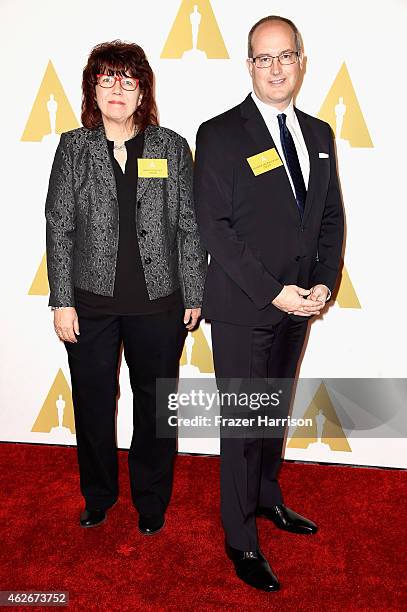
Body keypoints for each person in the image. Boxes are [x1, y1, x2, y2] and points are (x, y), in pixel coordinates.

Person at [194, 16, 344, 591]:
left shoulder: (321, 133)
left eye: (286, 56)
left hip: (300, 304)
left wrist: (323, 284)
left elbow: (330, 217)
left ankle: (266, 500)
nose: (277, 68)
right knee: (242, 423)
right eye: (264, 58)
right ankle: (240, 538)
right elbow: (215, 227)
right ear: (249, 65)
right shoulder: (221, 133)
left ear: (301, 60)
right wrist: (273, 291)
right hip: (244, 307)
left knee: (272, 413)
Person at [46, 40, 206, 534]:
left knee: (156, 407)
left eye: (128, 78)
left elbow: (188, 224)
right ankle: (99, 494)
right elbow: (59, 224)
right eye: (107, 78)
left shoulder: (171, 147)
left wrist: (194, 292)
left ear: (143, 90)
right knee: (94, 403)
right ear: (93, 89)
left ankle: (151, 499)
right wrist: (62, 300)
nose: (118, 88)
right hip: (89, 305)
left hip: (159, 304)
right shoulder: (74, 147)